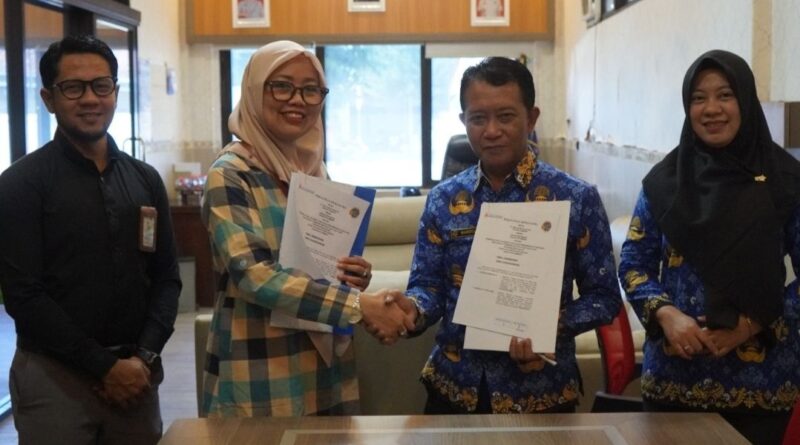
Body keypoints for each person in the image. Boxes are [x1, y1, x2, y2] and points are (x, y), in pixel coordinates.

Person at [200, 40, 414, 418]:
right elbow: (254, 276)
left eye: (311, 89)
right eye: (282, 86)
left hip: (323, 367)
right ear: (254, 90)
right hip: (263, 367)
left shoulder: (313, 170)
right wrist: (359, 306)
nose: (297, 100)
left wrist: (354, 275)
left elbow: (320, 265)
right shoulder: (231, 173)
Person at [397, 57, 622, 414]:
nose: (491, 131)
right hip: (455, 389)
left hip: (541, 393)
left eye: (505, 116)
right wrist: (410, 309)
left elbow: (604, 296)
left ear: (531, 118)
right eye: (478, 118)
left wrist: (551, 325)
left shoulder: (576, 197)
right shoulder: (443, 199)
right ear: (463, 121)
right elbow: (428, 287)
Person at [0, 35, 181, 444]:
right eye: (73, 88)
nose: (90, 99)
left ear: (115, 91)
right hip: (54, 376)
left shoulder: (145, 179)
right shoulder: (20, 185)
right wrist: (104, 367)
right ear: (48, 98)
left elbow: (166, 278)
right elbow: (24, 296)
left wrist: (143, 358)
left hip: (136, 377)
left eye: (101, 85)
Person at [618, 50, 800, 445]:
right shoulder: (664, 182)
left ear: (745, 100)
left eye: (725, 95)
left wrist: (751, 324)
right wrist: (666, 314)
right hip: (673, 380)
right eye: (699, 98)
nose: (711, 109)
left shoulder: (787, 180)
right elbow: (633, 263)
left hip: (761, 385)